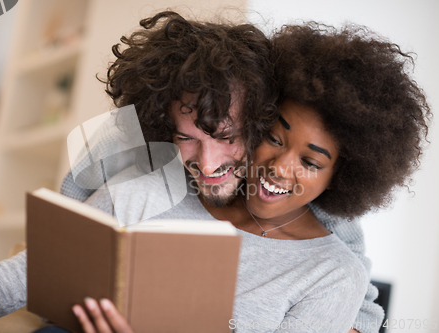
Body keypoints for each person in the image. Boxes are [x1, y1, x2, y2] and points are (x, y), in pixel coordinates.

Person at [0, 12, 382, 333]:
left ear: (258, 119)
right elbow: (19, 278)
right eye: (185, 137)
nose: (206, 166)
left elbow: (352, 284)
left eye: (226, 137)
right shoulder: (140, 188)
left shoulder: (333, 262)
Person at [69, 21, 430, 333]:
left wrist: (352, 320)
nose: (279, 166)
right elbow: (75, 199)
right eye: (274, 138)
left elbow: (348, 273)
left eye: (311, 161)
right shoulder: (144, 154)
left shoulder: (328, 228)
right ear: (259, 121)